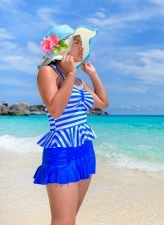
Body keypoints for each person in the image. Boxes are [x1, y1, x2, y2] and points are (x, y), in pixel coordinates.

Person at [33, 24, 109, 225]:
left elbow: (102, 104)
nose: (82, 47)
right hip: (62, 152)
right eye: (77, 42)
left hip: (85, 149)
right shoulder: (47, 72)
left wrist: (92, 74)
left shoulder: (76, 81)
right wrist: (72, 74)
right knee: (63, 221)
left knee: (71, 218)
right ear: (63, 46)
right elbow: (55, 111)